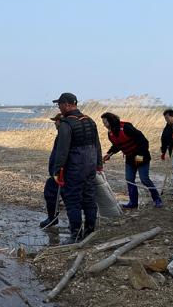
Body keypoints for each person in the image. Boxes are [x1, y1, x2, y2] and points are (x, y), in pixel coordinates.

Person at [51, 93, 102, 244]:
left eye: (59, 104)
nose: (58, 107)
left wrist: (57, 170)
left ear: (67, 104)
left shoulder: (67, 123)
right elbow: (97, 145)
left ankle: (76, 234)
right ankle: (90, 231)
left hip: (75, 167)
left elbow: (62, 150)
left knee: (73, 200)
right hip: (91, 165)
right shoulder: (90, 121)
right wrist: (99, 164)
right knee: (89, 198)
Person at [101, 113, 163, 209]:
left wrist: (139, 156)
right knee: (130, 180)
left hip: (141, 156)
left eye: (105, 122)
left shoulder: (126, 127)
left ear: (110, 121)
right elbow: (117, 145)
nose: (103, 124)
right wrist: (109, 154)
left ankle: (157, 199)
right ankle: (133, 203)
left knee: (144, 179)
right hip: (129, 159)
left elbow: (143, 141)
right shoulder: (110, 134)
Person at [40, 113, 62, 228]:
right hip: (58, 172)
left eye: (56, 121)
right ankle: (53, 218)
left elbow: (61, 154)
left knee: (50, 191)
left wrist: (57, 171)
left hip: (61, 173)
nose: (55, 123)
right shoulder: (61, 135)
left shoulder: (64, 135)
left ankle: (52, 218)